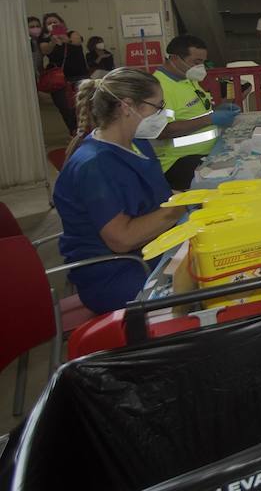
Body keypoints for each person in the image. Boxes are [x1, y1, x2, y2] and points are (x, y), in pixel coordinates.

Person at [53, 68, 184, 313]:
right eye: (157, 106)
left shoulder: (137, 143)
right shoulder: (94, 165)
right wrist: (178, 209)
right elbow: (122, 239)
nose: (162, 113)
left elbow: (156, 194)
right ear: (127, 106)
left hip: (152, 250)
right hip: (117, 272)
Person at [152, 34, 242, 190]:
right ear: (174, 58)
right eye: (196, 62)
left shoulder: (186, 78)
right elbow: (162, 131)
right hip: (178, 161)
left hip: (210, 151)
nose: (201, 68)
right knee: (235, 183)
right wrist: (210, 119)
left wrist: (217, 110)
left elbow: (194, 112)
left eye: (203, 62)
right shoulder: (159, 87)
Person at [38, 20, 79, 135]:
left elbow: (77, 43)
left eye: (55, 21)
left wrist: (64, 37)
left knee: (82, 107)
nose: (53, 24)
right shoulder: (45, 41)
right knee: (66, 109)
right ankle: (74, 132)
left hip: (77, 77)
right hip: (58, 81)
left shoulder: (72, 35)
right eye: (49, 23)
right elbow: (45, 50)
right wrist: (53, 40)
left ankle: (85, 132)